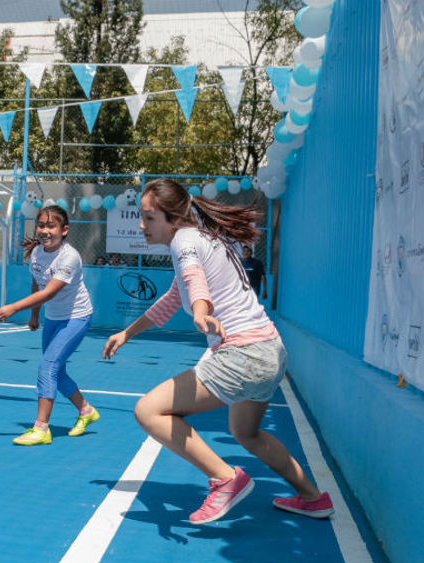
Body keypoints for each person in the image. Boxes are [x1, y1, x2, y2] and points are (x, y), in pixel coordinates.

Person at [102, 178, 333, 524]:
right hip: (270, 351)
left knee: (148, 411)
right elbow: (173, 298)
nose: (141, 225)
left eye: (149, 218)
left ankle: (226, 479)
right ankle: (314, 498)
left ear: (173, 218)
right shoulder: (207, 237)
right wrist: (128, 332)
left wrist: (200, 312)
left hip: (243, 355)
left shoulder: (184, 241)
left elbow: (195, 282)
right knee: (247, 433)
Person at [0, 205, 99, 445]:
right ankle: (87, 411)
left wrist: (14, 308)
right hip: (53, 318)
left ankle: (41, 429)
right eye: (41, 225)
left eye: (51, 226)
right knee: (56, 371)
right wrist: (34, 316)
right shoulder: (37, 253)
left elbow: (49, 292)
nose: (45, 230)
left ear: (64, 230)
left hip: (76, 317)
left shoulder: (69, 257)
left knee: (48, 368)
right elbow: (37, 284)